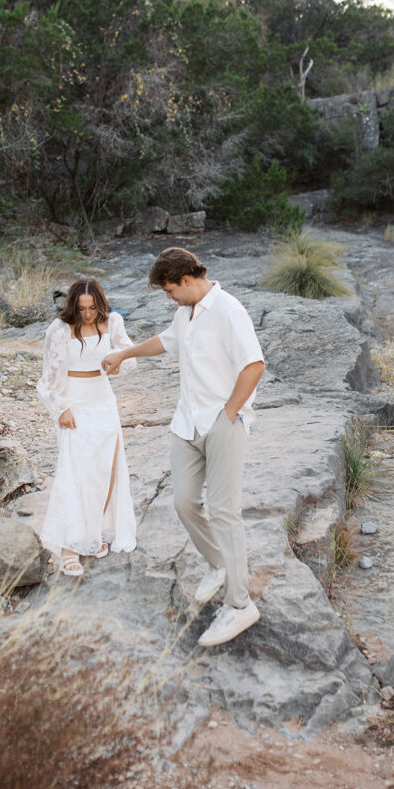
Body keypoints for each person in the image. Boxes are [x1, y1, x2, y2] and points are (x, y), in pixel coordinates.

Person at [102, 247, 265, 646]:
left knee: (225, 512)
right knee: (184, 502)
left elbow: (254, 365)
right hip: (186, 422)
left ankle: (240, 605)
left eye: (170, 290)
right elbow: (166, 342)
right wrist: (125, 352)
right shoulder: (185, 312)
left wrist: (229, 413)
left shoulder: (228, 310)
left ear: (187, 280)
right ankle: (218, 563)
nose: (168, 297)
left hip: (223, 422)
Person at [37, 278, 137, 576]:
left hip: (103, 402)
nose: (88, 314)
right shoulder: (59, 329)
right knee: (75, 474)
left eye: (93, 307)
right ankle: (70, 547)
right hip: (74, 403)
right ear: (73, 307)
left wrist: (119, 361)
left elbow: (128, 356)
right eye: (82, 309)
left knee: (105, 472)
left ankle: (91, 535)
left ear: (101, 304)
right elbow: (48, 379)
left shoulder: (113, 322)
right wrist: (60, 410)